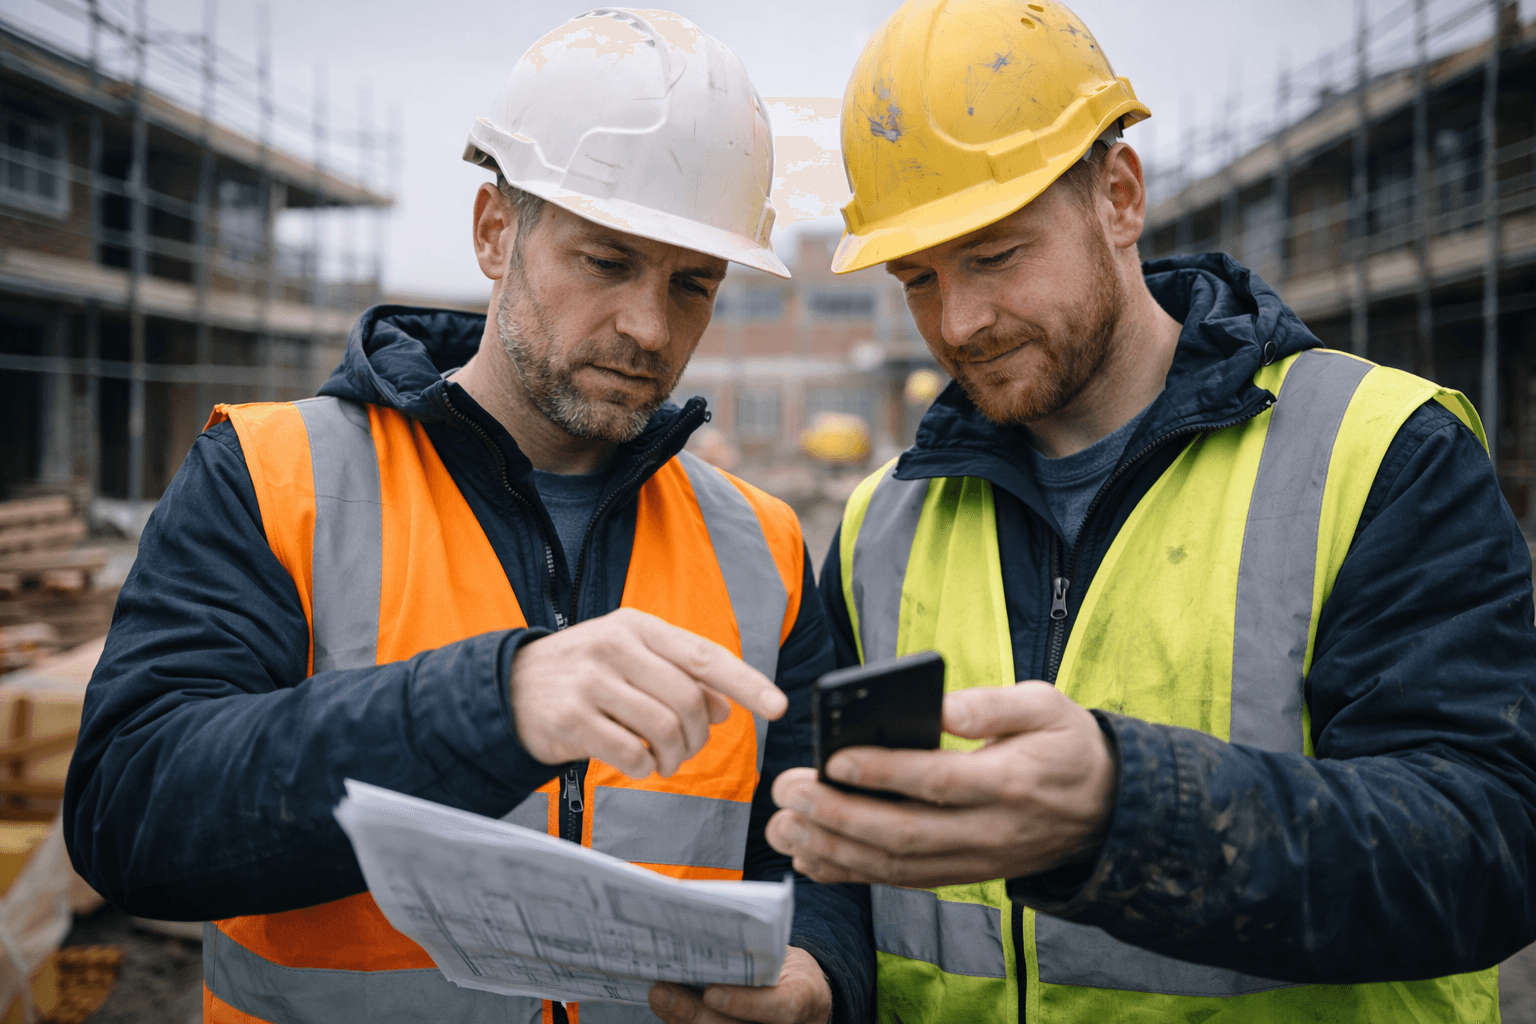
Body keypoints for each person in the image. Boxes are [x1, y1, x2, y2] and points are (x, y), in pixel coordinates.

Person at [63, 10, 870, 1024]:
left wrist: (819, 970)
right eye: (607, 261)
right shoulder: (272, 478)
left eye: (692, 284)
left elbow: (816, 845)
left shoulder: (764, 545)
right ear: (495, 230)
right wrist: (493, 703)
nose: (648, 326)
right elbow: (129, 811)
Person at [765, 0, 1536, 1021]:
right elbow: (839, 853)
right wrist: (819, 971)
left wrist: (1126, 811)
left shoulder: (1378, 452)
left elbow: (1490, 839)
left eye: (994, 255)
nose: (959, 321)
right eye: (918, 278)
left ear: (1119, 197)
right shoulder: (881, 525)